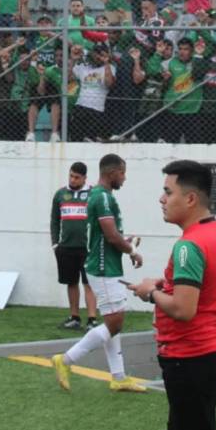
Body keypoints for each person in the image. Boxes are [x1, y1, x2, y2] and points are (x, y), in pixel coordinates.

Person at [128, 160, 216, 430]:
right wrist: (167, 285)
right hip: (205, 357)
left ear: (190, 199)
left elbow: (184, 310)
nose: (162, 199)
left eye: (168, 192)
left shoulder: (188, 246)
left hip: (191, 359)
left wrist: (149, 291)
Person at [51, 153, 146, 393]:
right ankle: (66, 360)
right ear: (112, 173)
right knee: (115, 323)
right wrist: (132, 250)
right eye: (122, 173)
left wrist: (126, 242)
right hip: (103, 267)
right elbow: (111, 236)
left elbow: (109, 235)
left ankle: (118, 376)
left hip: (104, 265)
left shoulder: (99, 195)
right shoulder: (102, 197)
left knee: (112, 322)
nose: (124, 178)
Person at [51, 161, 98, 329]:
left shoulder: (93, 194)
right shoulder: (60, 194)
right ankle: (75, 317)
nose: (73, 180)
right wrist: (55, 244)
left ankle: (92, 319)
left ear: (84, 178)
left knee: (89, 283)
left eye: (77, 177)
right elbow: (54, 221)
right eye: (71, 176)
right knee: (71, 282)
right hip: (66, 247)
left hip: (88, 248)